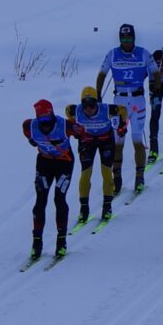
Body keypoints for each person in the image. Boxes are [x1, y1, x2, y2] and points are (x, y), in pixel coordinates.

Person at [96, 24, 155, 194]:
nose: (127, 42)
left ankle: (139, 176)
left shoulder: (143, 53)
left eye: (129, 39)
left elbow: (155, 73)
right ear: (120, 39)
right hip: (119, 101)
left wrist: (155, 89)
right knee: (117, 141)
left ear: (134, 38)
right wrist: (98, 94)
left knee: (137, 139)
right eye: (124, 39)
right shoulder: (113, 53)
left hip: (137, 100)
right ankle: (117, 178)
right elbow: (102, 74)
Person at [22, 99, 75, 262]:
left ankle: (61, 241)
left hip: (64, 163)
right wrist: (32, 141)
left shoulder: (64, 125)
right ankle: (36, 242)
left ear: (52, 115)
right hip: (44, 162)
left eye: (47, 119)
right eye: (41, 120)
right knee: (40, 200)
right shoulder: (29, 126)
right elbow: (26, 131)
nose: (45, 124)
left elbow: (81, 131)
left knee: (59, 199)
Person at [65, 86, 123, 226]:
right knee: (85, 173)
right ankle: (84, 208)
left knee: (106, 172)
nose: (89, 109)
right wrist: (74, 126)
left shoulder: (106, 109)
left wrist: (122, 125)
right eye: (85, 105)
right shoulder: (76, 110)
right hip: (88, 141)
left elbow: (123, 110)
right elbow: (68, 110)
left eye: (92, 105)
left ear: (97, 103)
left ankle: (107, 206)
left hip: (105, 141)